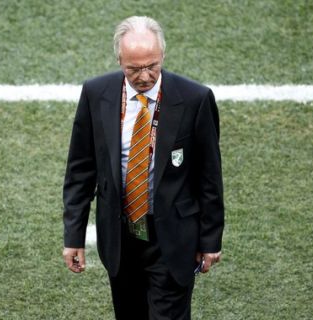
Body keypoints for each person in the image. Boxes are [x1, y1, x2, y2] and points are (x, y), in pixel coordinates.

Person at [63, 16, 224, 320]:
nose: (145, 76)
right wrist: (74, 235)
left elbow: (209, 177)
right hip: (120, 238)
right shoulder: (96, 93)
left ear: (162, 55)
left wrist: (210, 239)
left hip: (173, 239)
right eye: (134, 69)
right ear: (119, 60)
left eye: (152, 66)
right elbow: (80, 170)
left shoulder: (195, 99)